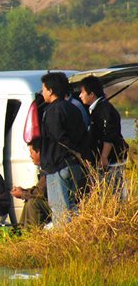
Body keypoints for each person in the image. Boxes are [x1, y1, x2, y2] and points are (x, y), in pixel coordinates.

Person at [40, 72, 86, 227]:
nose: (42, 93)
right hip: (74, 165)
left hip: (58, 165)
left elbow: (58, 136)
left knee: (60, 209)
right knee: (73, 206)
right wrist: (78, 153)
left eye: (44, 89)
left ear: (51, 90)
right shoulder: (73, 108)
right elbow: (82, 134)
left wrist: (70, 150)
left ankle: (64, 241)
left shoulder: (52, 110)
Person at [79, 75, 128, 193]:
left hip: (111, 161)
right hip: (105, 161)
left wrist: (104, 156)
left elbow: (109, 134)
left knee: (113, 193)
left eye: (82, 92)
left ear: (92, 94)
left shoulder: (104, 110)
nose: (80, 95)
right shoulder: (96, 109)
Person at [10, 138, 51, 227]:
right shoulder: (44, 168)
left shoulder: (49, 168)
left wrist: (22, 193)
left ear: (39, 152)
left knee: (33, 202)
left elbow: (40, 192)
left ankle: (33, 234)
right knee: (29, 200)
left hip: (57, 206)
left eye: (31, 152)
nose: (30, 156)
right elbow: (39, 190)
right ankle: (23, 232)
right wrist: (23, 191)